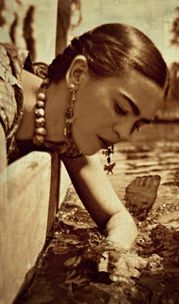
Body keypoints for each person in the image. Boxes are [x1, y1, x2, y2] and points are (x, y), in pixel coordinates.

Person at [0, 23, 169, 280]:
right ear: (78, 74)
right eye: (121, 109)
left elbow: (118, 217)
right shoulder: (4, 97)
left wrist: (113, 252)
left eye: (137, 124)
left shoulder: (67, 132)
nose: (124, 134)